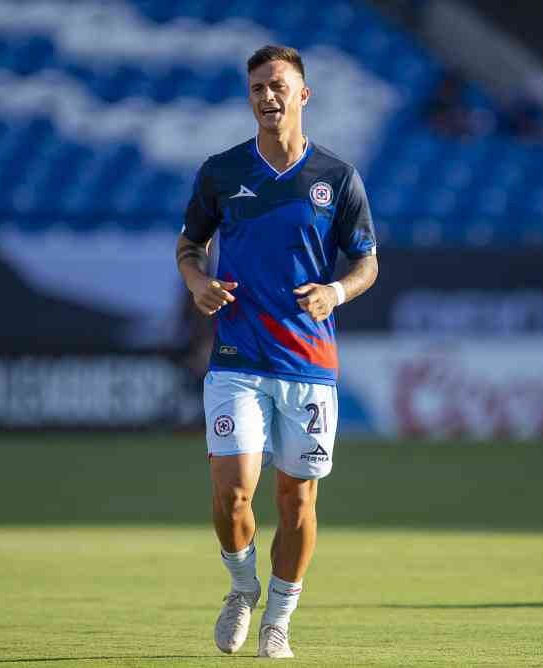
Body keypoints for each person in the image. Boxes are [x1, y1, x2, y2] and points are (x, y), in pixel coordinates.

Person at [174, 45, 378, 659]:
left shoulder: (337, 178)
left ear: (303, 95)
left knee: (298, 499)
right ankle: (241, 589)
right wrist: (197, 283)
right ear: (249, 97)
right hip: (236, 359)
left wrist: (336, 291)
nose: (268, 96)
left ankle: (279, 618)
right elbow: (189, 245)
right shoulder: (220, 172)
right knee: (234, 492)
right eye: (258, 87)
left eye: (279, 86)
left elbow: (368, 262)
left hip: (309, 367)